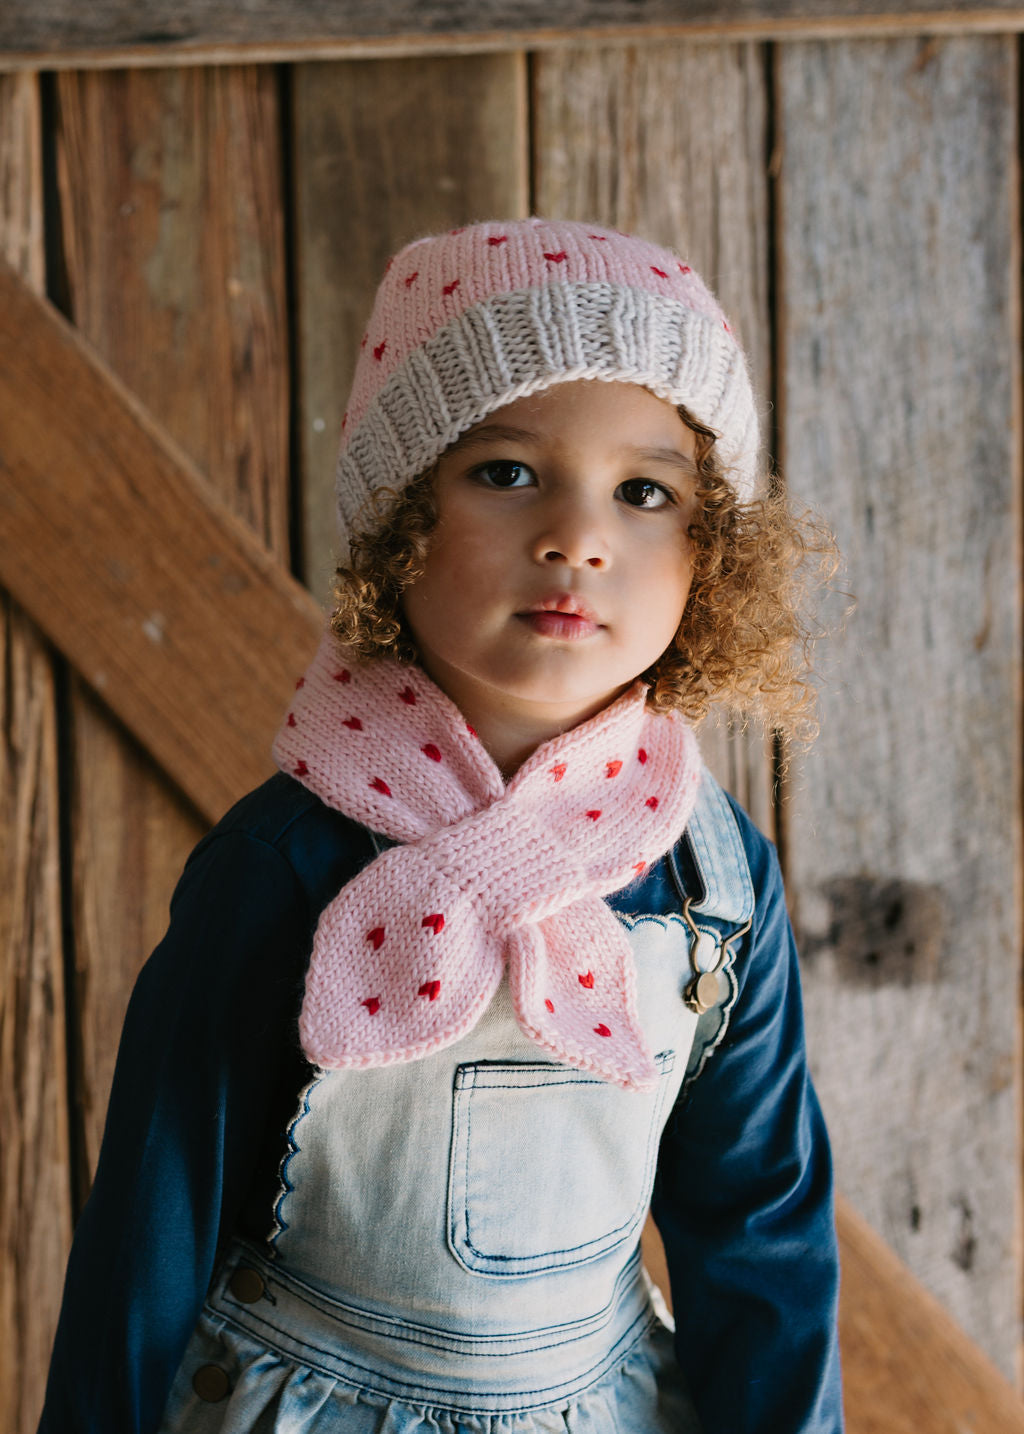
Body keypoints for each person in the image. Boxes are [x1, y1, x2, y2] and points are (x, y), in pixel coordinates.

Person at [38, 218, 843, 1434]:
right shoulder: (286, 864)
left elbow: (761, 1225)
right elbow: (150, 1226)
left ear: (710, 550)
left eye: (645, 491)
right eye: (507, 471)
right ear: (401, 514)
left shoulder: (714, 876)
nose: (578, 537)